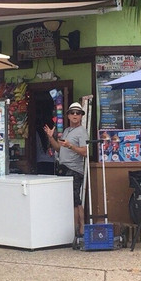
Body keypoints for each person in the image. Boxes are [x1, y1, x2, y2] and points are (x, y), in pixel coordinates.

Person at [43, 100, 89, 236]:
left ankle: (80, 228)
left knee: (75, 200)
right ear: (68, 116)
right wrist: (50, 137)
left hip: (74, 169)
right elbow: (58, 148)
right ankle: (72, 229)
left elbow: (85, 152)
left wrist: (71, 146)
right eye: (72, 113)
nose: (75, 115)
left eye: (78, 113)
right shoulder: (67, 130)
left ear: (81, 116)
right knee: (69, 200)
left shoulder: (82, 132)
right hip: (63, 168)